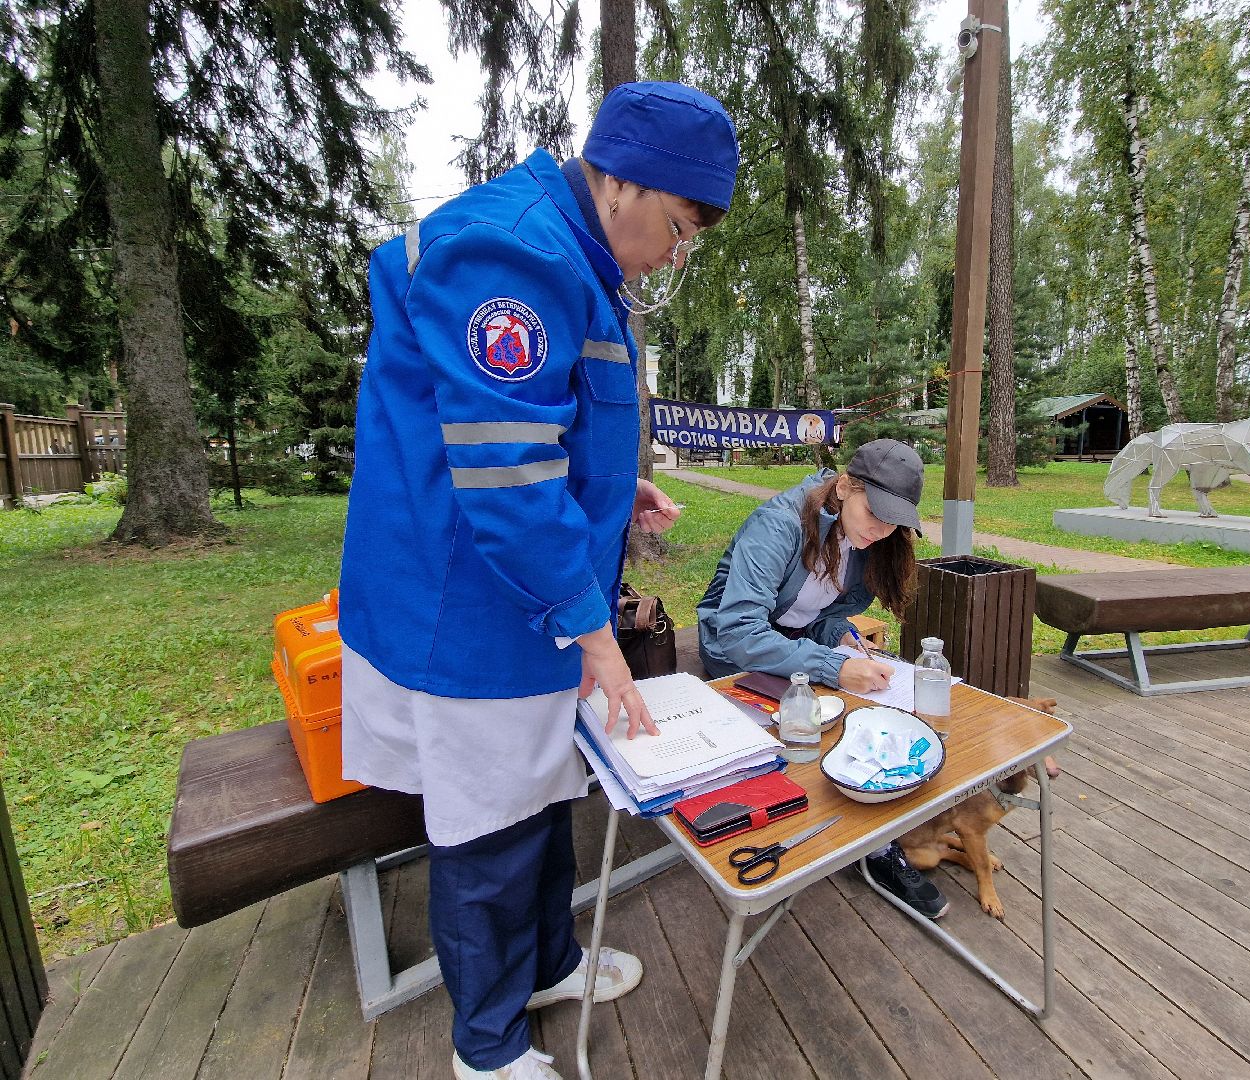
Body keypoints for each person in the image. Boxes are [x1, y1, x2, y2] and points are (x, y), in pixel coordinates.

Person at [337, 82, 739, 1080]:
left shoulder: (578, 256)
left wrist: (616, 491)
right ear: (626, 188)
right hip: (469, 607)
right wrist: (594, 632)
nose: (678, 254)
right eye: (682, 229)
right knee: (487, 825)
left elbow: (542, 426)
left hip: (525, 601)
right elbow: (509, 478)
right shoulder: (514, 253)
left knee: (549, 791)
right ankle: (487, 1047)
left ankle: (550, 962)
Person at [695, 438, 952, 919]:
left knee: (868, 716)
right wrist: (833, 664)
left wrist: (841, 636)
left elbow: (818, 607)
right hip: (738, 654)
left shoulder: (865, 535)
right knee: (808, 723)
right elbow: (736, 631)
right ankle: (851, 842)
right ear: (845, 485)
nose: (883, 529)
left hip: (797, 643)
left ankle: (872, 842)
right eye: (876, 513)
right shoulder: (779, 524)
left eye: (896, 519)